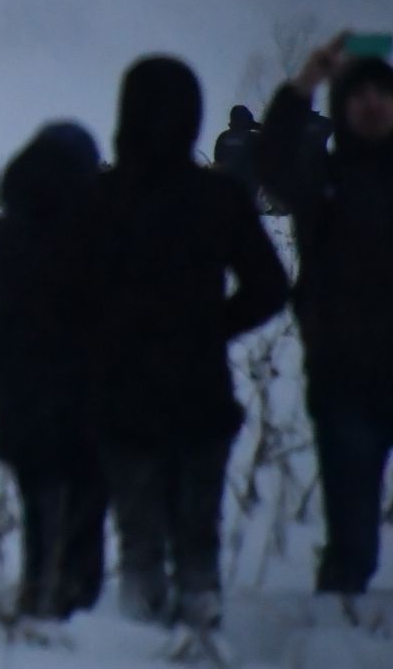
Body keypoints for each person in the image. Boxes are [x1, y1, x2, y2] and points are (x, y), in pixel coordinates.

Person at [90, 56, 287, 628]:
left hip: (121, 395)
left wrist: (100, 338)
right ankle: (200, 639)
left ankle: (140, 641)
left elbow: (60, 291)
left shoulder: (98, 198)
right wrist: (214, 326)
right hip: (197, 389)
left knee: (140, 541)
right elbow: (269, 286)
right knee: (196, 541)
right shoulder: (217, 197)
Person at [257, 37, 393, 596]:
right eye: (357, 93)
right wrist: (304, 83)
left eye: (383, 91)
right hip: (345, 378)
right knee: (351, 528)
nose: (371, 102)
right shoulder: (321, 179)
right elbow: (270, 160)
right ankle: (341, 629)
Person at [0, 123, 107, 618]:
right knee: (85, 511)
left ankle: (38, 591)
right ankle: (74, 606)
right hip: (91, 402)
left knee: (37, 506)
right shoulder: (98, 236)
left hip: (21, 402)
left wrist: (3, 374)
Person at [212, 105, 262, 203]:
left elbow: (218, 160)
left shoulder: (223, 137)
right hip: (248, 189)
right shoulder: (253, 138)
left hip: (226, 188)